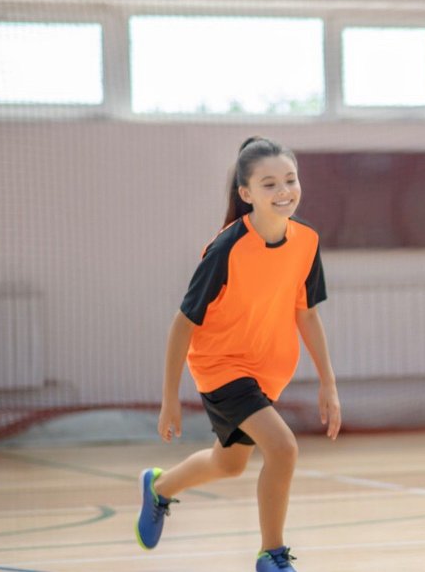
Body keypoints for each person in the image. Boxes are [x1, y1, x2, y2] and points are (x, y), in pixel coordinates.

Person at [136, 137, 342, 572]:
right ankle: (272, 555)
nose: (284, 190)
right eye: (269, 184)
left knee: (228, 463)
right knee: (283, 449)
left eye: (290, 179)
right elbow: (182, 324)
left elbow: (307, 314)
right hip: (220, 368)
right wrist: (170, 399)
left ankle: (159, 488)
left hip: (267, 374)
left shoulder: (306, 241)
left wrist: (329, 383)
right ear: (245, 193)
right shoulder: (227, 248)